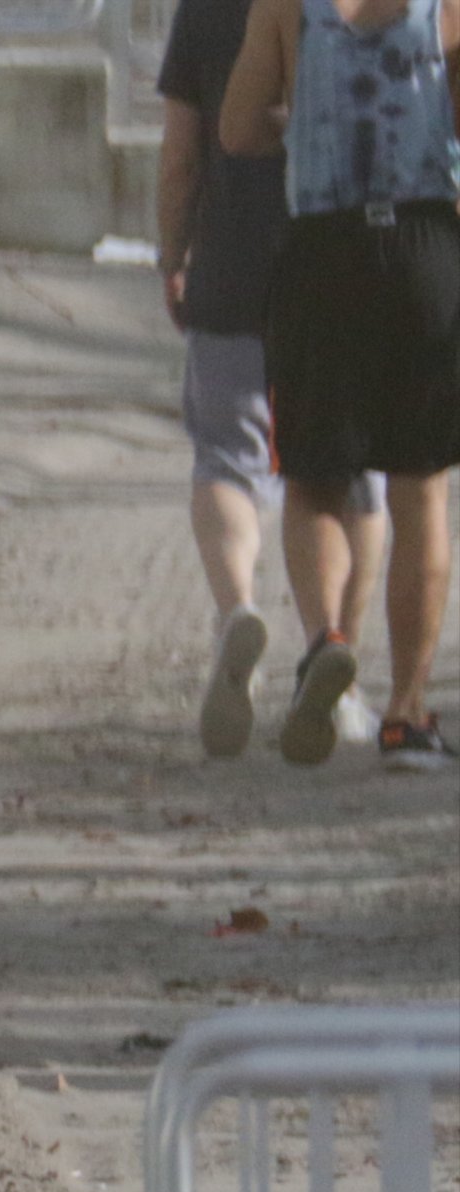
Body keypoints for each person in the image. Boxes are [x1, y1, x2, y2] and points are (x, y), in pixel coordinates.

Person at [221, 0, 460, 769]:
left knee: (315, 481)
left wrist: (302, 119)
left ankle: (327, 636)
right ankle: (406, 715)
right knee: (422, 490)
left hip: (324, 251)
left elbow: (238, 128)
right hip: (424, 248)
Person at [156, 0, 388, 760]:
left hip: (232, 269)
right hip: (342, 263)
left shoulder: (207, 8)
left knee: (227, 460)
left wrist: (172, 253)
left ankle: (237, 610)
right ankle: (334, 657)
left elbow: (182, 152)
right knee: (351, 479)